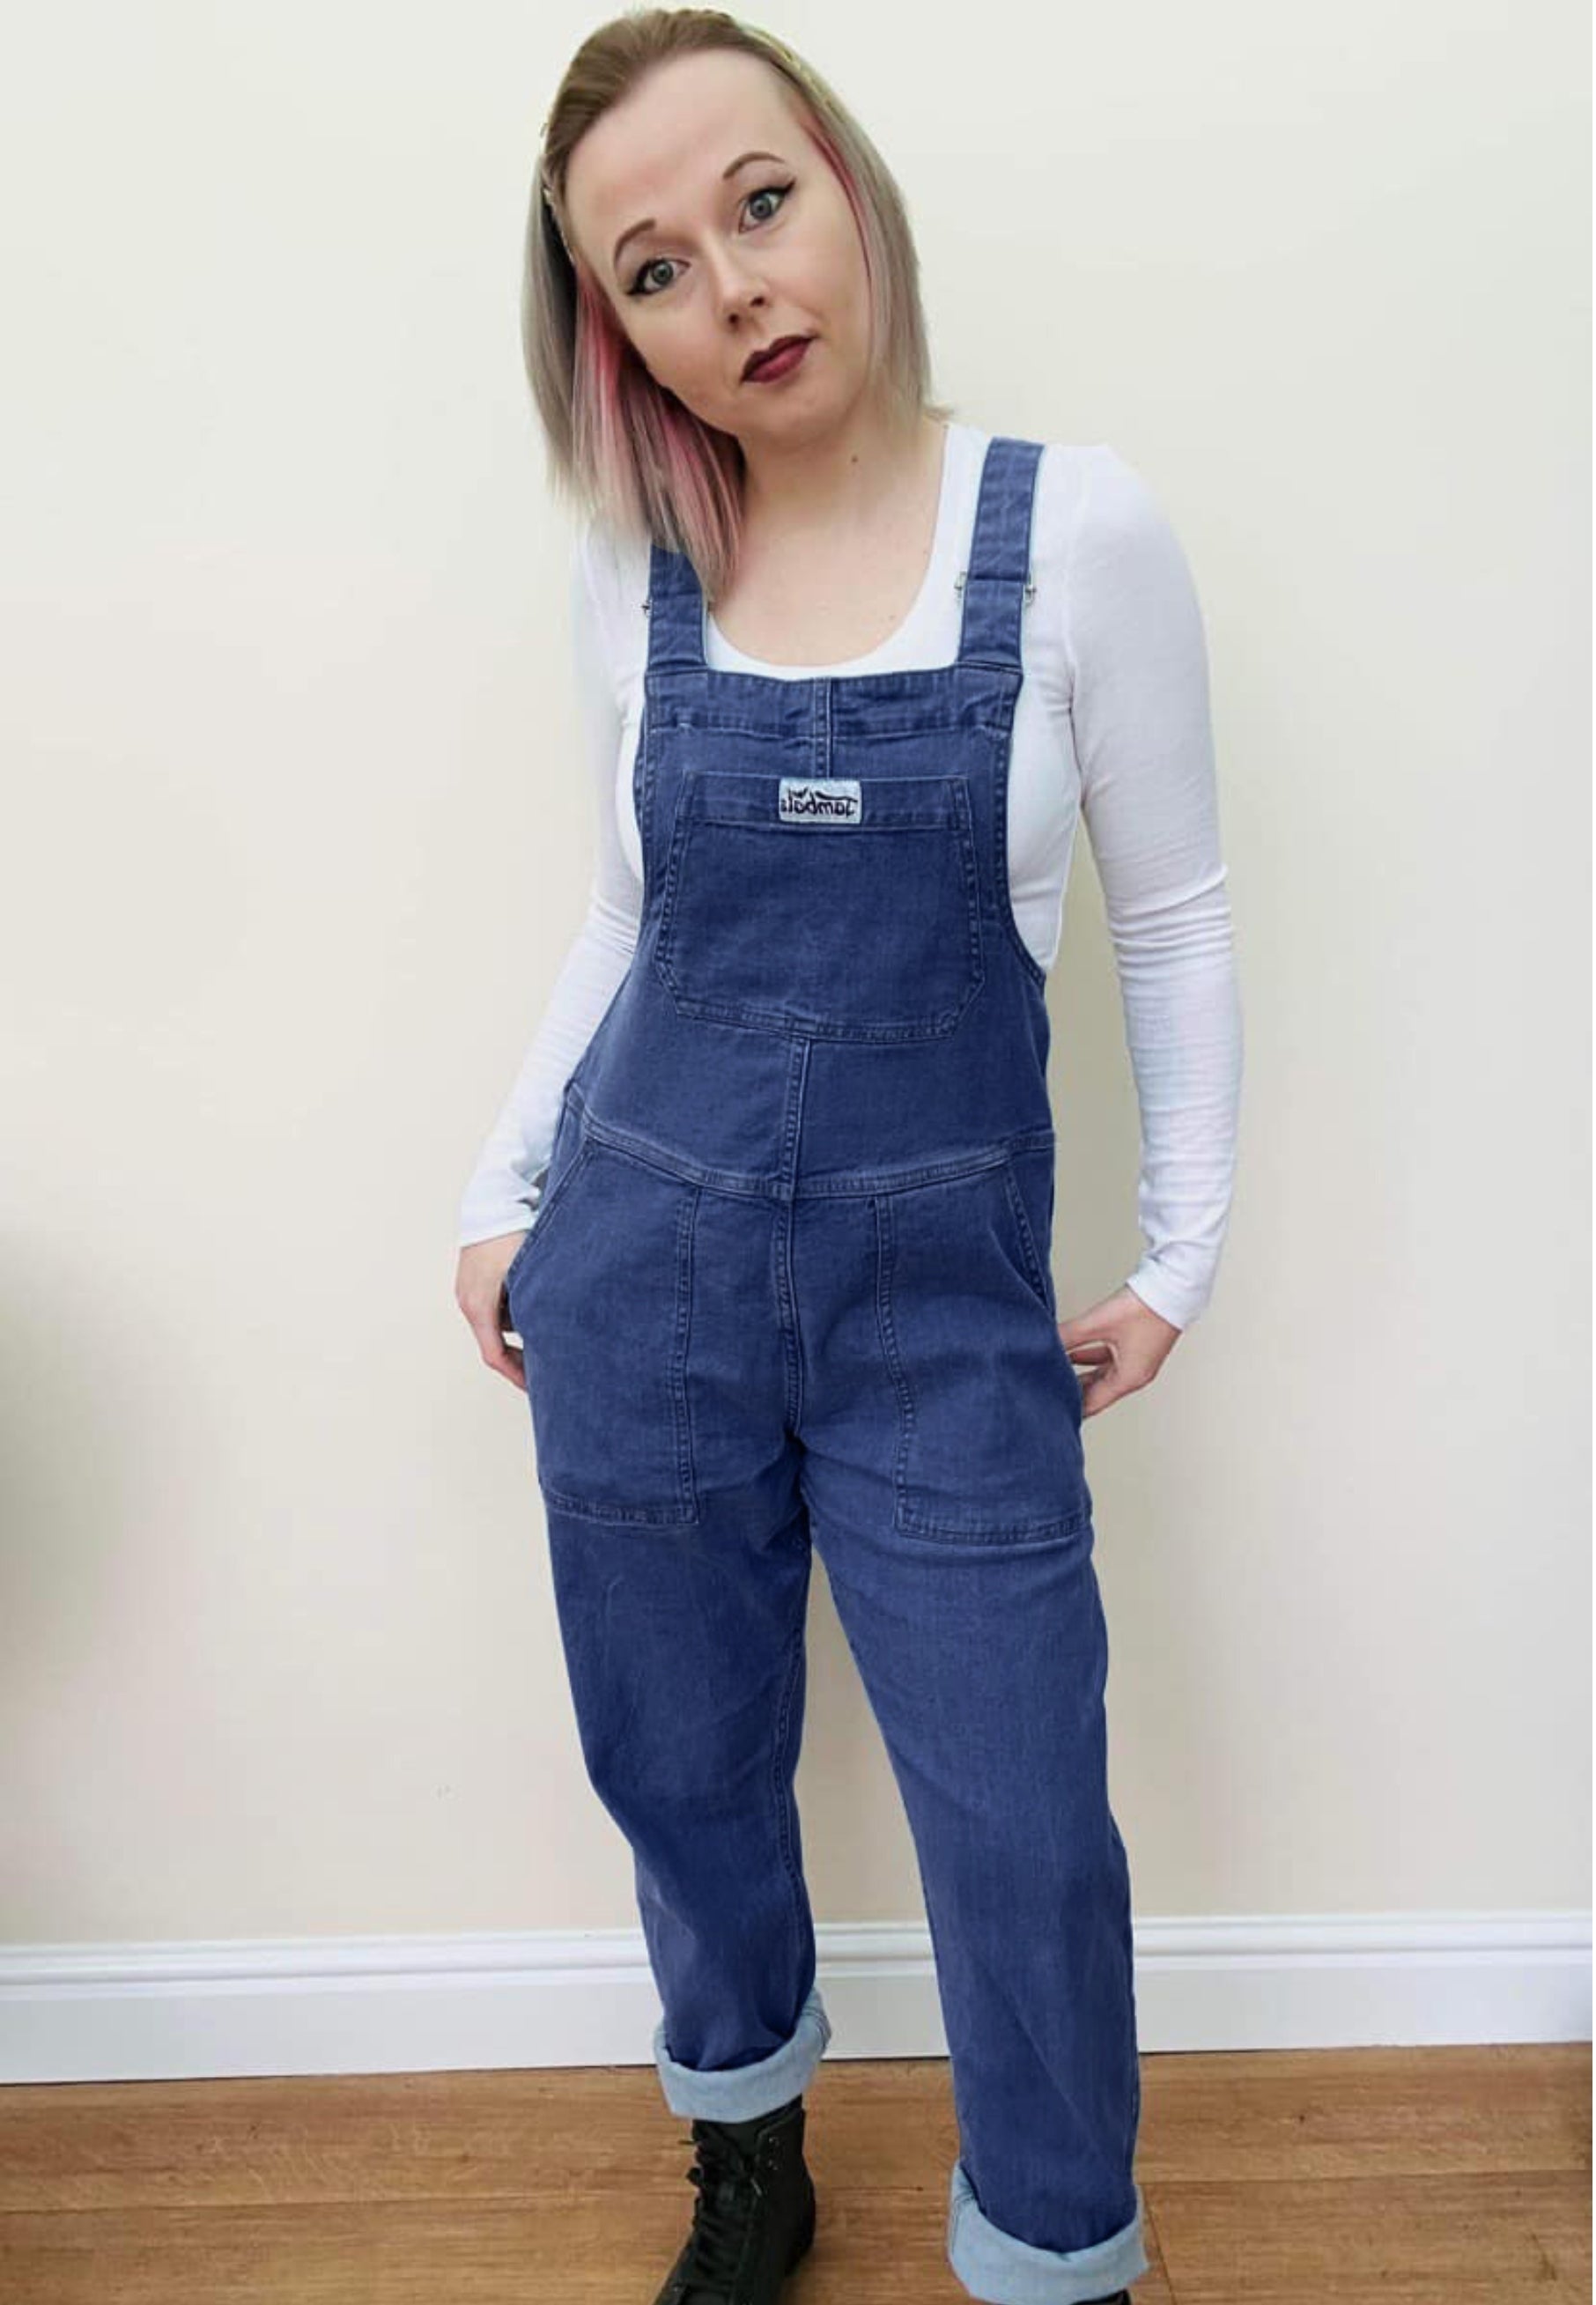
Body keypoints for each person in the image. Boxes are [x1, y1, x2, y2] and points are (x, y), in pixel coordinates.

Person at [454, 11, 1243, 2302]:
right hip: (643, 1282)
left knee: (1016, 1817)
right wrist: (497, 1191)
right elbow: (626, 914)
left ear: (851, 183)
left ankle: (1059, 2246)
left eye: (757, 202)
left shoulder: (1071, 531)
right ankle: (743, 2147)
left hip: (942, 1319)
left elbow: (1173, 915)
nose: (733, 284)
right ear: (614, 336)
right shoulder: (633, 570)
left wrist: (1179, 1250)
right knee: (680, 1766)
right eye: (653, 266)